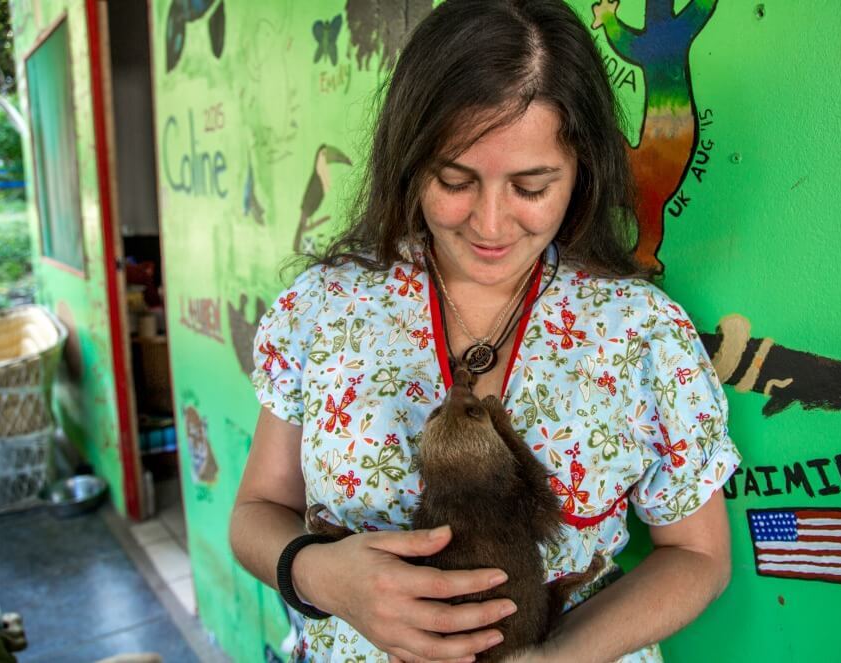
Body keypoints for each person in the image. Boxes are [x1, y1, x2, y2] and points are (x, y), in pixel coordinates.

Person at [229, 1, 742, 661]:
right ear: (409, 160)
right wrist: (318, 573)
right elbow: (256, 510)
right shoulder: (323, 307)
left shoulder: (642, 333)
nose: (491, 225)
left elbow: (698, 555)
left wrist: (556, 657)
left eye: (531, 186)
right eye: (454, 179)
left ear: (581, 168)